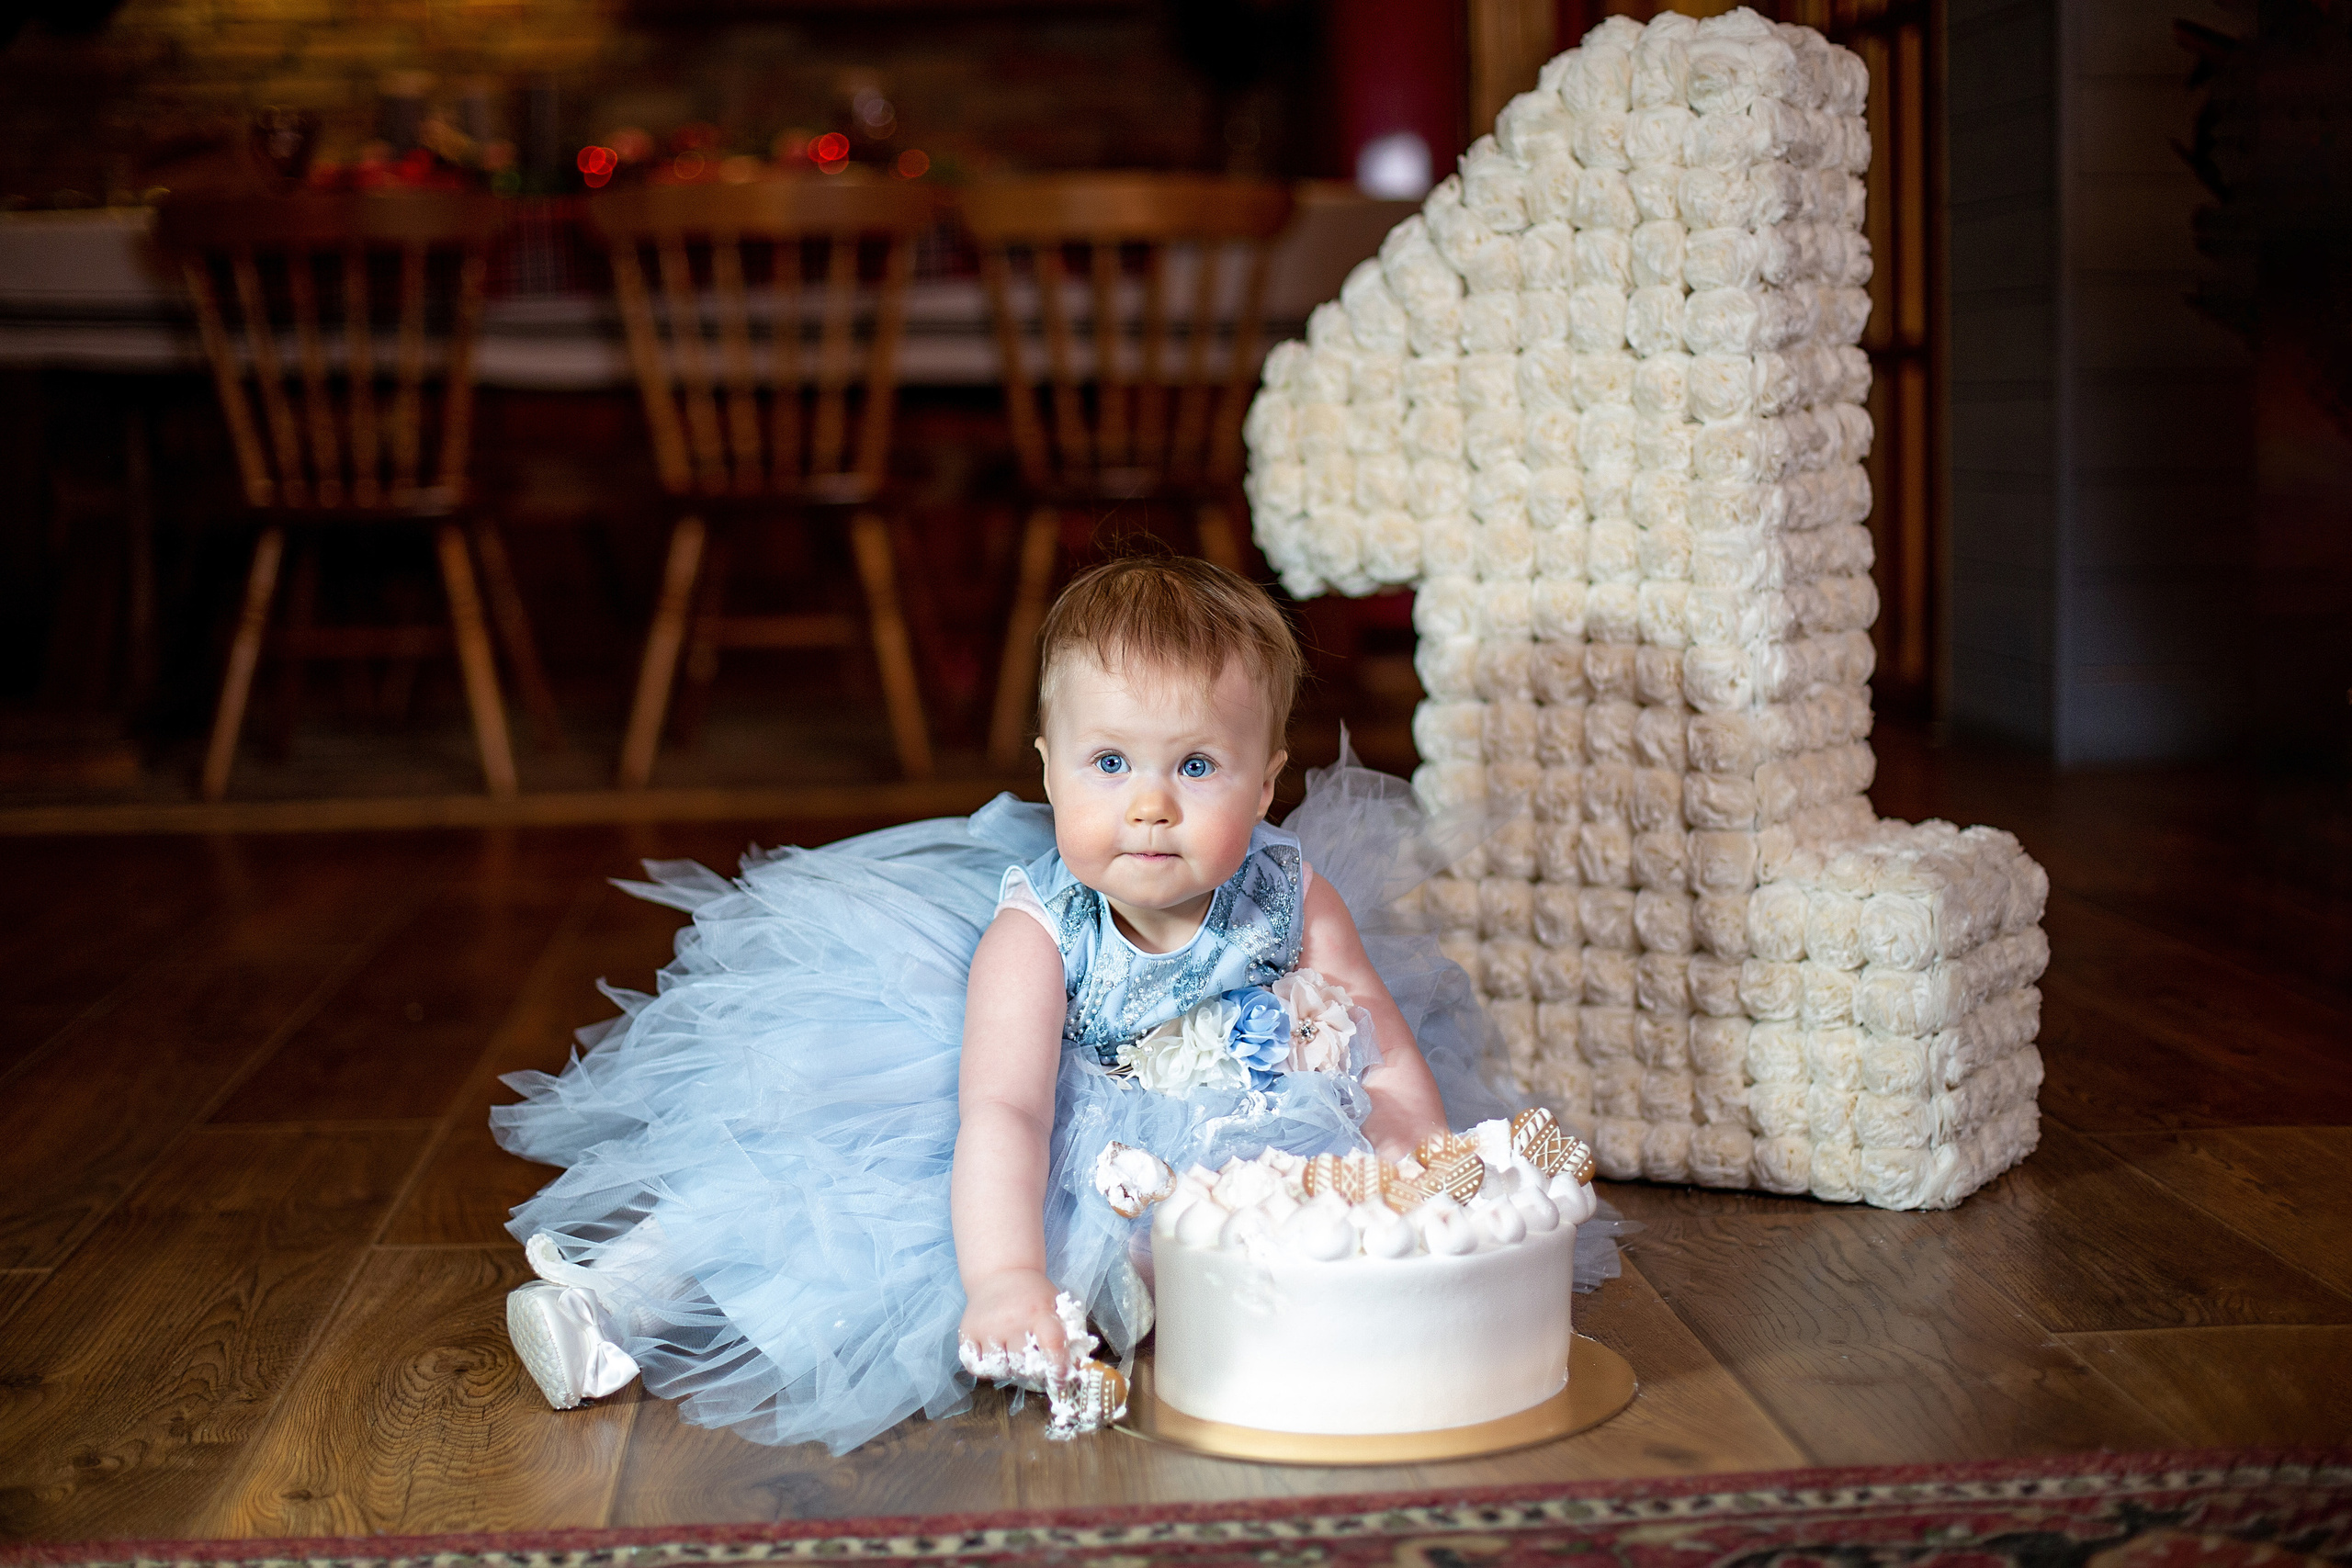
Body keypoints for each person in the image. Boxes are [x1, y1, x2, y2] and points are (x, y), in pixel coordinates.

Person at [492, 555, 1581, 1455]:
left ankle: (1178, 1311)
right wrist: (1005, 1278)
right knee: (834, 1169)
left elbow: (1377, 1035)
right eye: (1110, 762)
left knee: (1280, 1210)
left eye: (1197, 765)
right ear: (1052, 775)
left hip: (1223, 1118)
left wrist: (1415, 1148)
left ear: (1267, 781)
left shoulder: (1292, 894)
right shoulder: (1036, 936)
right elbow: (1006, 1117)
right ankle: (617, 1299)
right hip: (1039, 1120)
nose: (1150, 806)